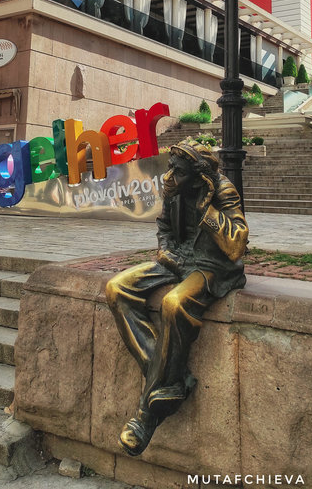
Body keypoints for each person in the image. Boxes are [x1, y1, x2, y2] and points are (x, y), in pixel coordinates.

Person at [105, 140, 248, 457]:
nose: (169, 176)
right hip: (178, 260)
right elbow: (165, 227)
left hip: (211, 267)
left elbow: (237, 244)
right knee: (116, 288)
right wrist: (166, 252)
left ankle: (145, 417)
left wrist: (207, 211)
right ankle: (170, 377)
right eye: (170, 168)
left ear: (198, 177)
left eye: (178, 172)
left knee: (173, 303)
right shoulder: (173, 188)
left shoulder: (222, 190)